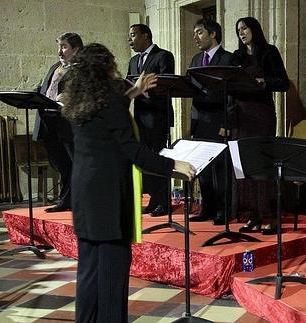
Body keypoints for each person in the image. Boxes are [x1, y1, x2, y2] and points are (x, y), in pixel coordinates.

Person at [60, 43, 195, 323]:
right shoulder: (110, 103)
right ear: (106, 68)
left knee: (88, 274)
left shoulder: (79, 102)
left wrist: (133, 92)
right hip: (109, 199)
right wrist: (174, 165)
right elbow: (134, 152)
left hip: (85, 195)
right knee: (112, 278)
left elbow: (109, 114)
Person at [231, 16, 290, 234]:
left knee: (263, 165)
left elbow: (283, 83)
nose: (242, 33)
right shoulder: (236, 56)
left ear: (254, 29)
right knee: (246, 166)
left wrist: (264, 82)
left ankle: (270, 216)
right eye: (238, 30)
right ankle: (252, 215)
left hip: (261, 114)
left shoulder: (269, 52)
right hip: (241, 115)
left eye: (245, 28)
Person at [187, 18, 234, 225]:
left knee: (220, 169)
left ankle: (223, 211)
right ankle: (207, 208)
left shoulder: (228, 59)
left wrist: (227, 122)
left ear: (212, 34)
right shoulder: (196, 60)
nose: (195, 37)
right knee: (203, 168)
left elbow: (233, 94)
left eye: (199, 32)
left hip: (218, 120)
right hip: (200, 120)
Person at [127, 24, 175, 216]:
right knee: (144, 160)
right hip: (140, 117)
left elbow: (167, 83)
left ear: (145, 35)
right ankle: (154, 198)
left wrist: (145, 90)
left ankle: (164, 202)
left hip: (157, 116)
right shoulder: (133, 60)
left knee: (158, 158)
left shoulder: (163, 56)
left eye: (133, 35)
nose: (129, 40)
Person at [33, 32, 83, 212]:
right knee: (60, 163)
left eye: (64, 47)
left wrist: (71, 98)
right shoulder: (55, 66)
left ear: (76, 49)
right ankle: (66, 199)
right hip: (48, 121)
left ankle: (74, 200)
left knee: (73, 163)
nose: (60, 52)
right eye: (59, 47)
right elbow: (46, 88)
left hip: (67, 123)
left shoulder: (82, 70)